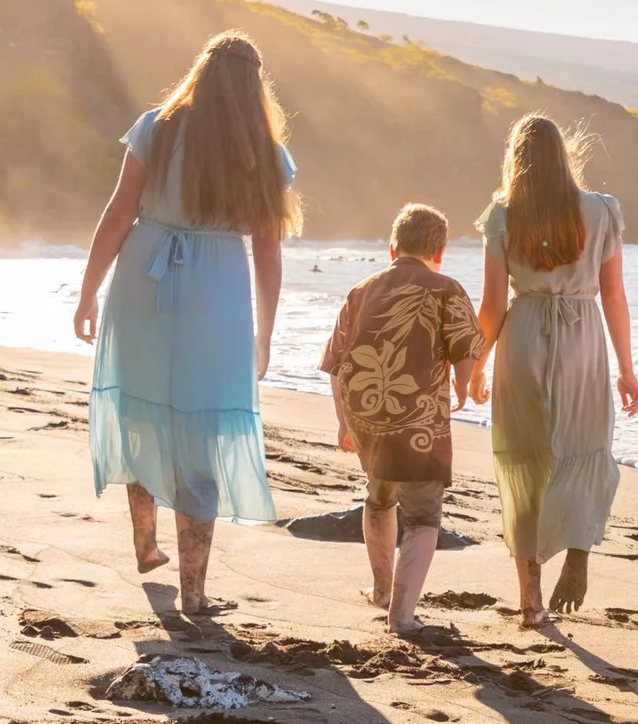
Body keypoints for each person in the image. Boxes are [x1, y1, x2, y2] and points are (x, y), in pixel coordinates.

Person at [74, 31, 297, 615]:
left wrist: (88, 291)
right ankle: (194, 594)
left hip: (143, 278)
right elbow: (270, 253)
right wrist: (265, 333)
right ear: (255, 87)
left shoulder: (157, 127)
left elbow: (119, 213)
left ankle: (146, 544)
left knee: (143, 406)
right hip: (217, 292)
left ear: (200, 71)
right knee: (200, 433)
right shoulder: (266, 155)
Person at [469, 115, 638, 623]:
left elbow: (492, 304)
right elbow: (614, 295)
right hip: (583, 334)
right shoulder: (603, 211)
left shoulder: (502, 216)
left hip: (523, 334)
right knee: (587, 446)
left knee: (526, 459)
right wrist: (627, 368)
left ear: (515, 159)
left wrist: (475, 363)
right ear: (564, 156)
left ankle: (530, 601)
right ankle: (579, 550)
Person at [322, 204, 482, 634]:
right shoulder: (446, 287)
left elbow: (337, 364)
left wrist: (343, 421)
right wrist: (466, 389)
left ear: (392, 247)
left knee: (379, 496)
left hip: (365, 408)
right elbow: (466, 349)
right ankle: (402, 616)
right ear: (441, 251)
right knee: (425, 513)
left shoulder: (361, 290)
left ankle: (382, 590)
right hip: (415, 415)